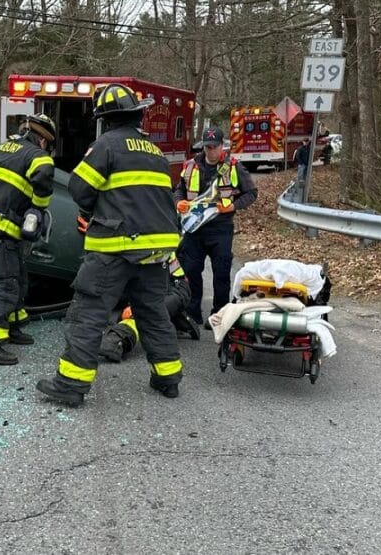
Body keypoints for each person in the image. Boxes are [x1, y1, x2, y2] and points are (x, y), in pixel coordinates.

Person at [36, 84, 183, 406]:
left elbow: (79, 188)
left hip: (116, 246)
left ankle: (71, 385)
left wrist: (94, 211)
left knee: (87, 314)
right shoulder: (155, 152)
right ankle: (168, 378)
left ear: (105, 119)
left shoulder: (106, 145)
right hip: (157, 250)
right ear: (136, 115)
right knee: (153, 313)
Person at [0, 113, 56, 365]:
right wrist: (38, 208)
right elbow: (44, 176)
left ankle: (13, 327)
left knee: (18, 278)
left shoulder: (4, 149)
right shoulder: (38, 155)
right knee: (3, 284)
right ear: (44, 140)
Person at [174, 127, 258, 325]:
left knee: (221, 273)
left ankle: (218, 316)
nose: (210, 151)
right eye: (207, 147)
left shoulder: (233, 167)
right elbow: (179, 190)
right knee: (191, 271)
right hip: (195, 229)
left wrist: (233, 207)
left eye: (214, 147)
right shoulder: (190, 166)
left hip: (221, 228)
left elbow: (251, 193)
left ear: (222, 146)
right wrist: (179, 202)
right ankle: (192, 314)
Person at [99, 253, 198, 363]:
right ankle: (168, 316)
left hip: (171, 286)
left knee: (142, 312)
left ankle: (120, 336)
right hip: (131, 283)